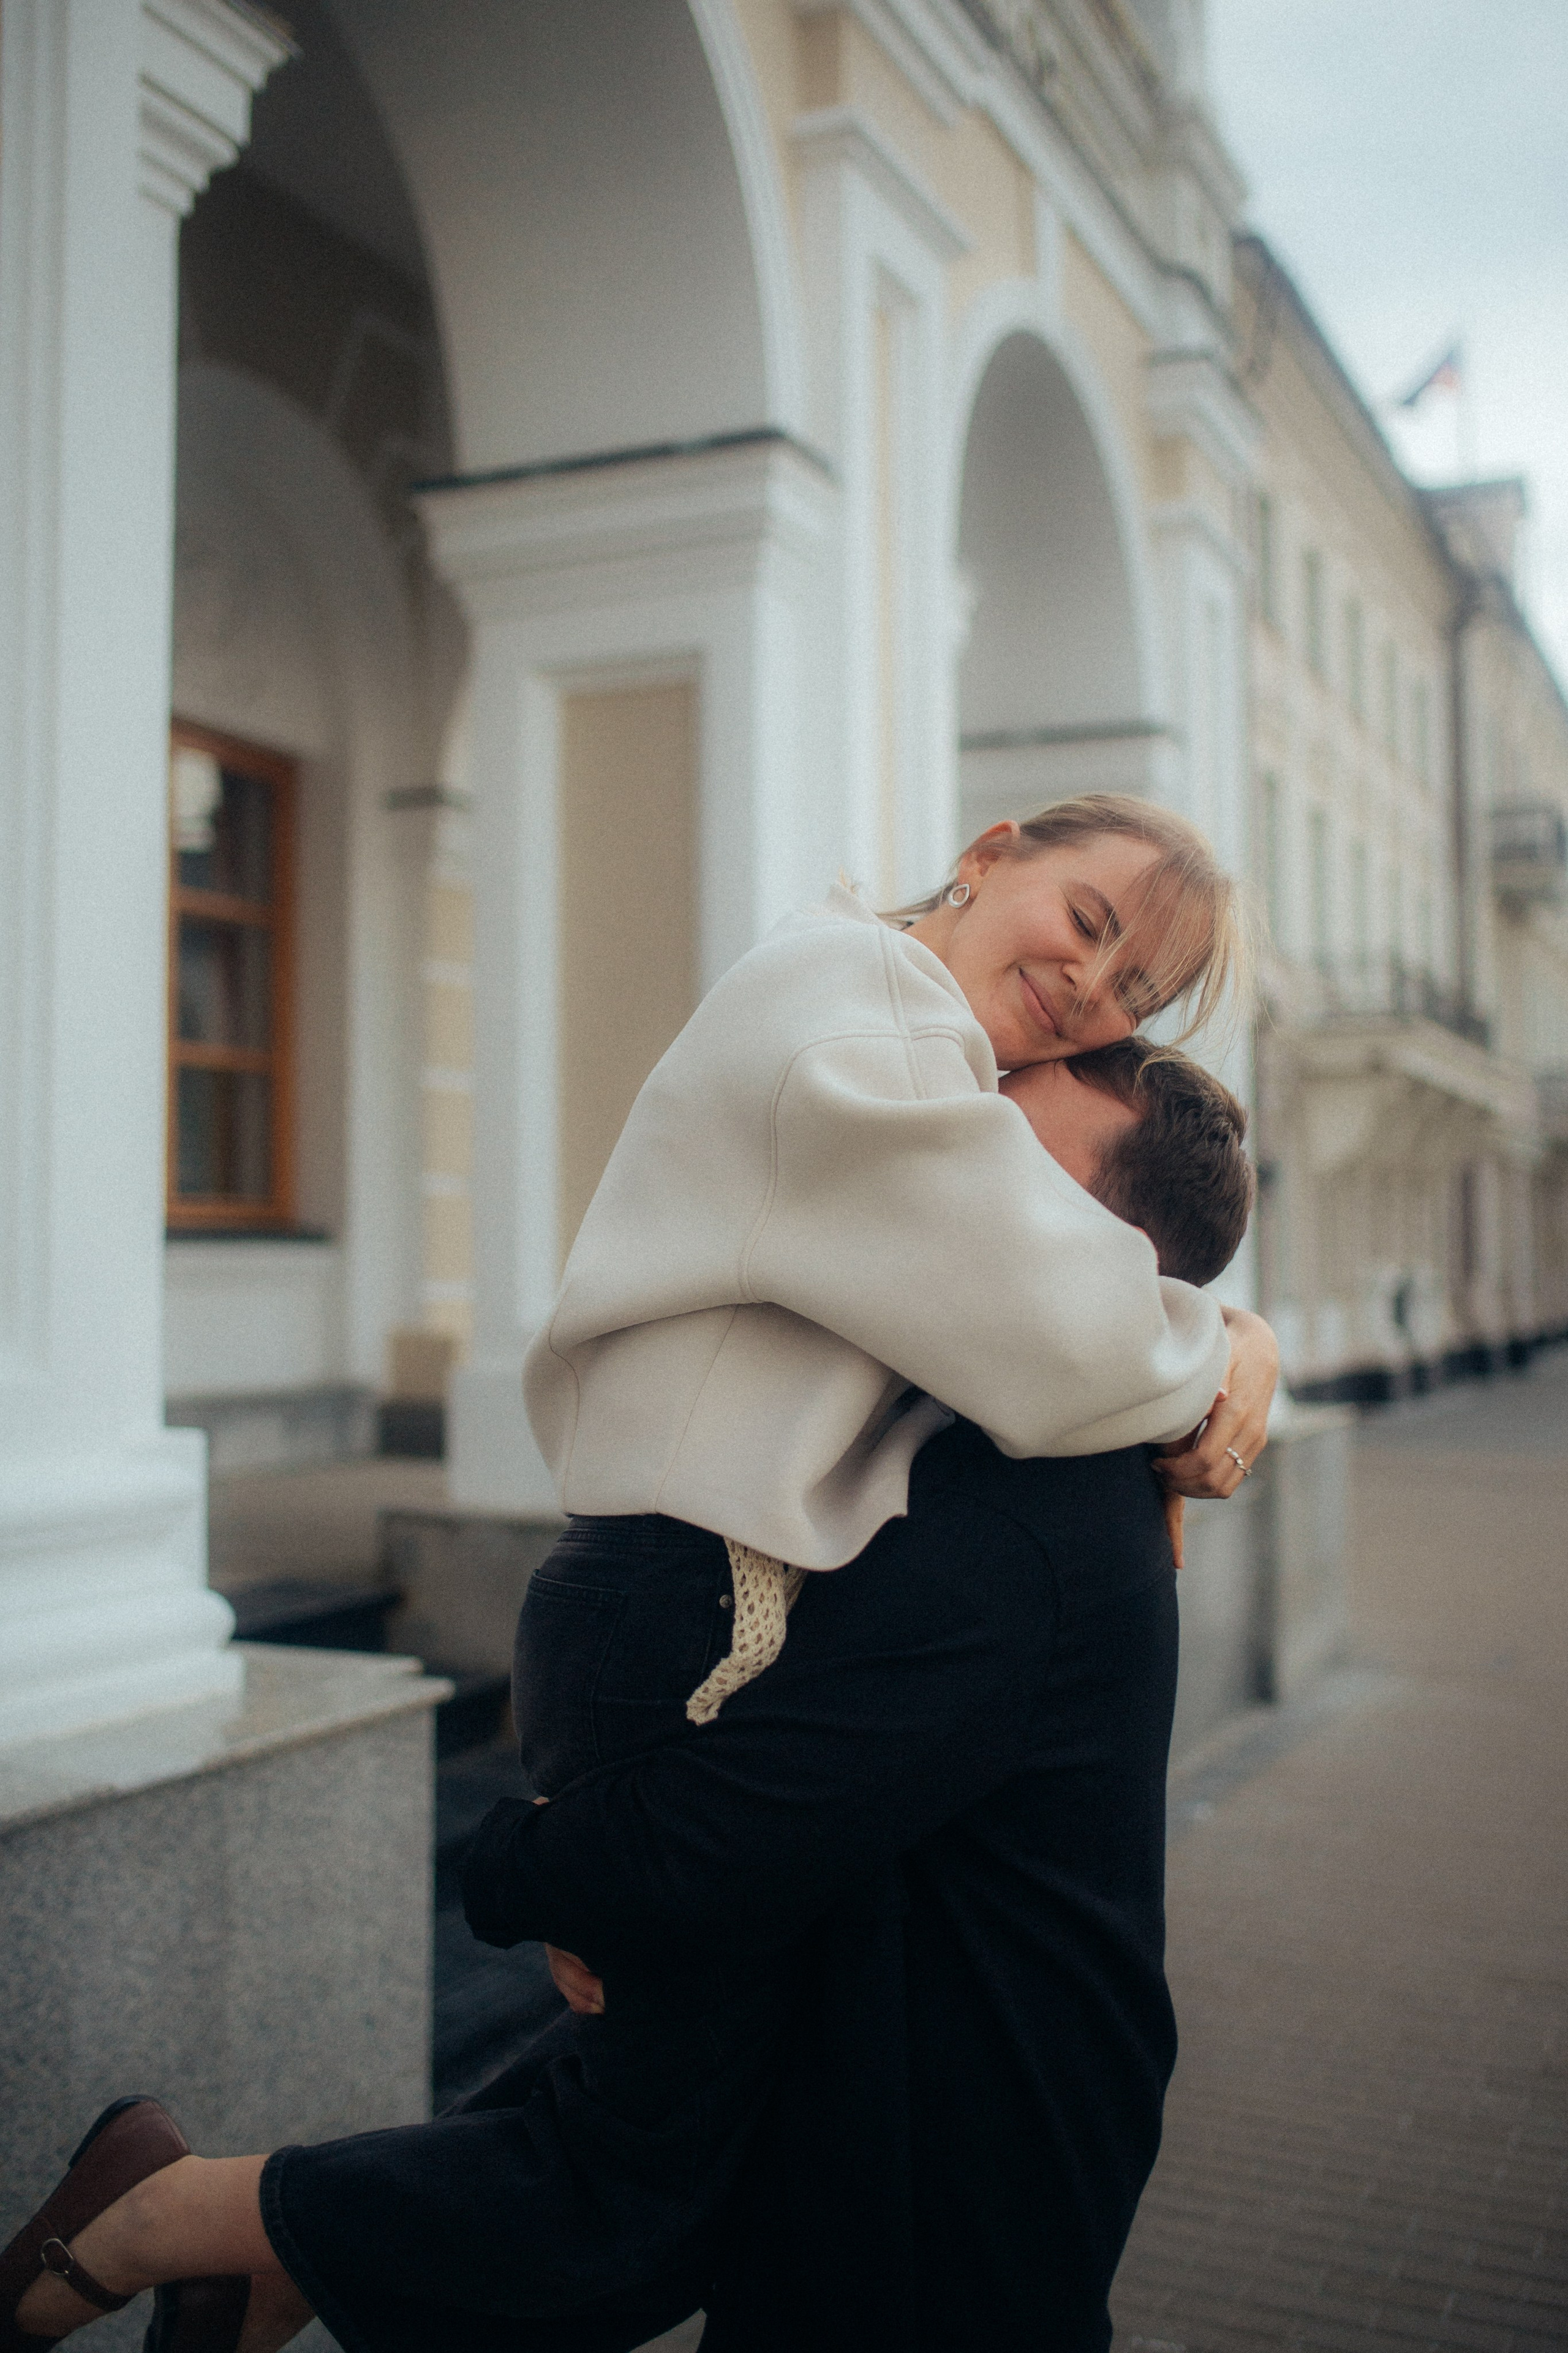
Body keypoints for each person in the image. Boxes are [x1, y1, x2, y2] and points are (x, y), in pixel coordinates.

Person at [0, 799, 1276, 2353]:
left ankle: (249, 2249)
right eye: (1086, 924)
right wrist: (1232, 1353)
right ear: (995, 845)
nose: (1091, 991)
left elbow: (1051, 1286)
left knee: (658, 2138)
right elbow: (1054, 1309)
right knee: (639, 2189)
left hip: (696, 1602)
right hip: (689, 1607)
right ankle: (176, 2216)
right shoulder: (852, 1013)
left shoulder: (909, 1040)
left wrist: (1211, 1335)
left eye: (1133, 990)